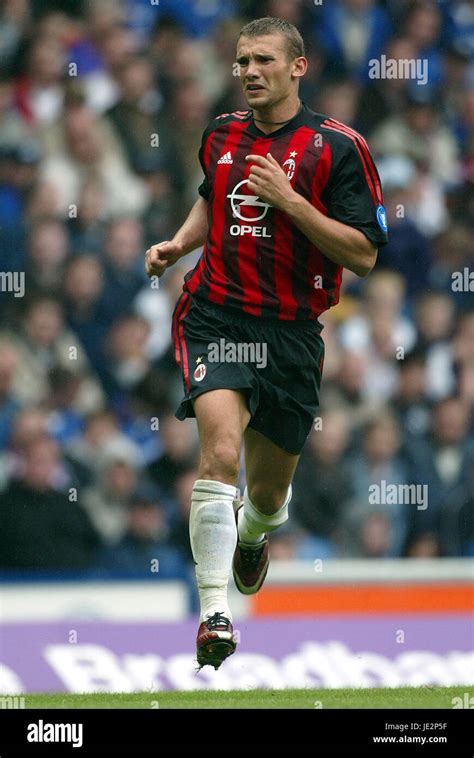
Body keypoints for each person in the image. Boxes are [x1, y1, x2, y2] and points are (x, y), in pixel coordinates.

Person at [144, 16, 388, 670]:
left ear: (297, 67)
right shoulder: (221, 133)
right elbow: (211, 200)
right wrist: (178, 244)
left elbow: (364, 254)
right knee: (219, 451)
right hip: (218, 316)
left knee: (270, 495)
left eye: (263, 61)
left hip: (292, 335)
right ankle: (215, 613)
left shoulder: (339, 148)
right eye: (242, 61)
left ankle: (254, 533)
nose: (249, 71)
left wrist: (291, 202)